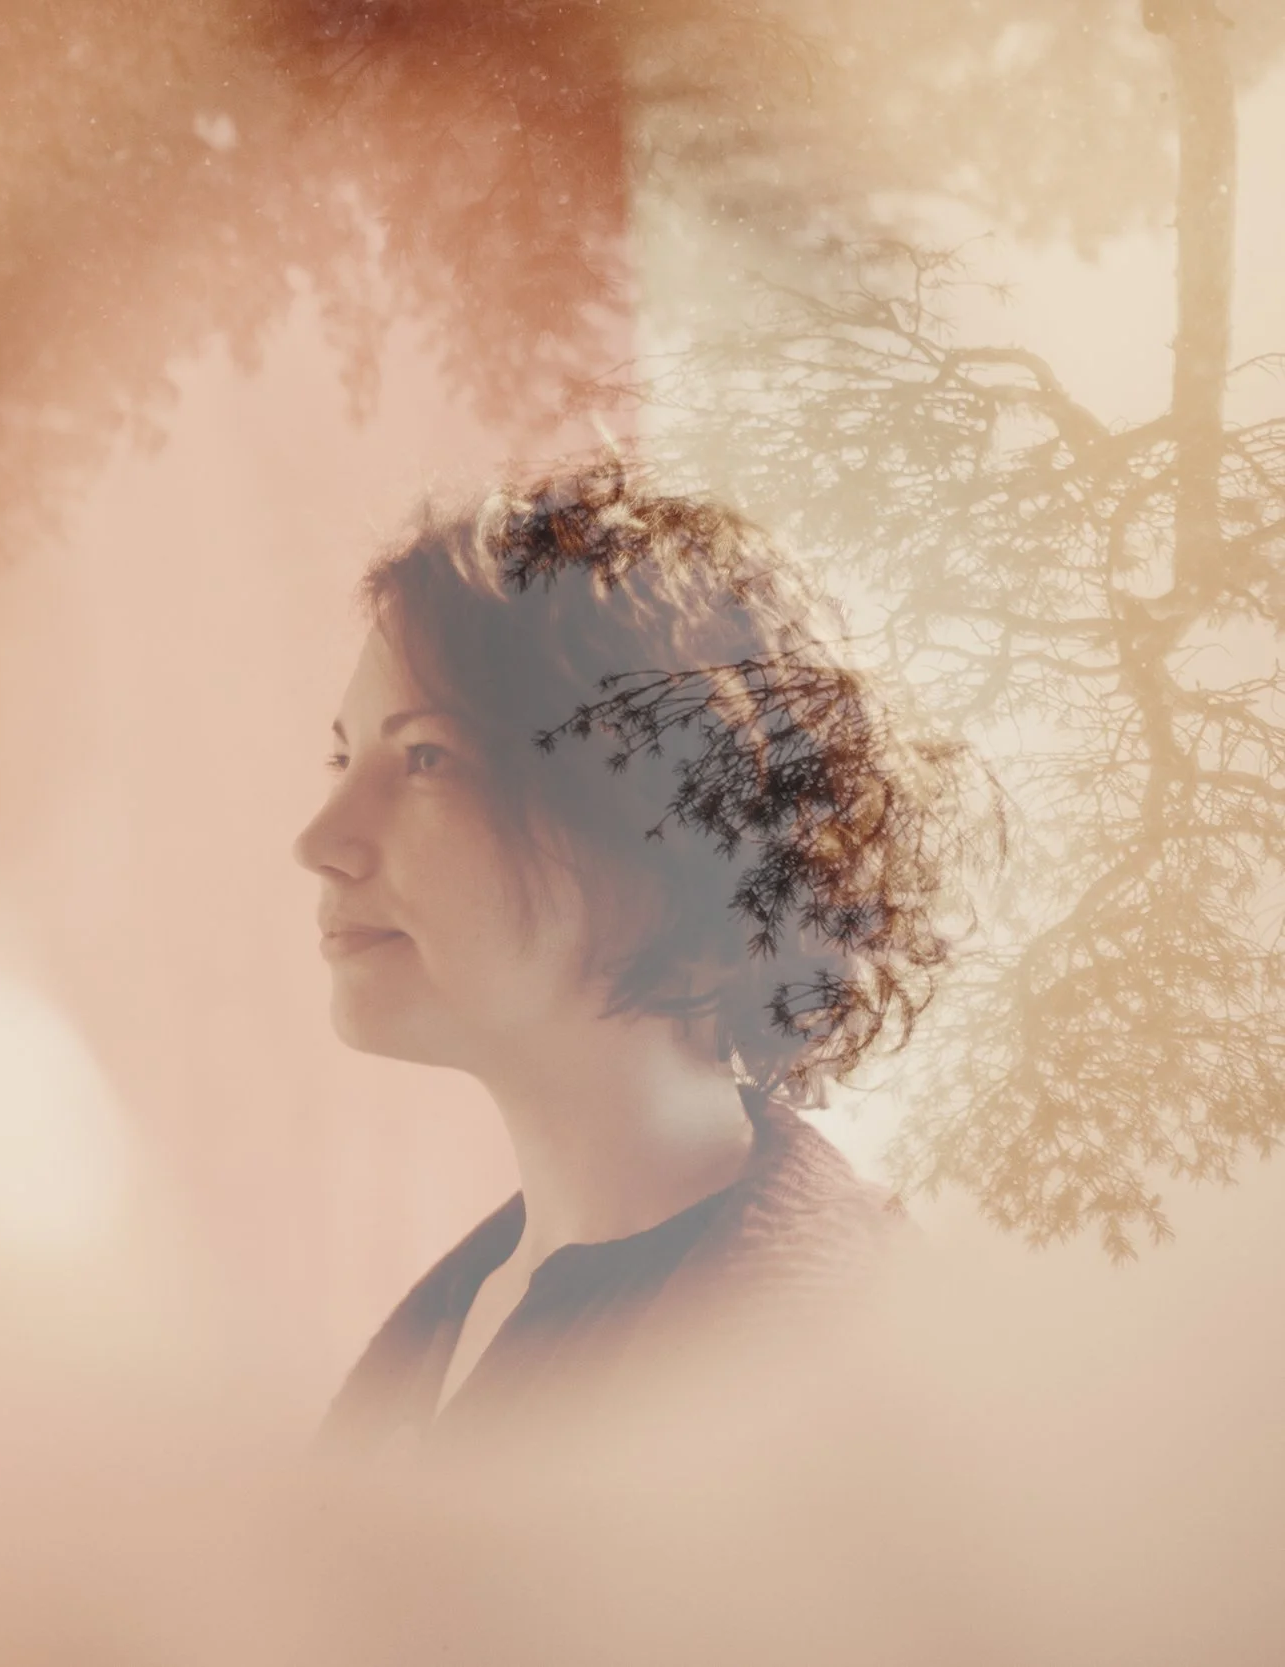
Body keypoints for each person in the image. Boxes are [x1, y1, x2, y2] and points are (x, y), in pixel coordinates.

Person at [298, 457, 967, 1454]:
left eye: (426, 758)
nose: (320, 838)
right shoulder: (454, 1321)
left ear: (657, 829)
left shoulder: (857, 1364)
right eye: (345, 759)